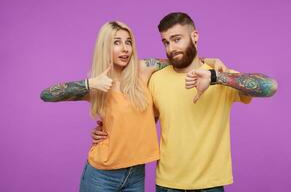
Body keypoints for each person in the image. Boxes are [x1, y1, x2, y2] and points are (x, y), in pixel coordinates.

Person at [92, 13, 278, 192]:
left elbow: (270, 86)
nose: (171, 48)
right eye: (166, 42)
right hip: (167, 184)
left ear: (194, 36)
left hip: (210, 185)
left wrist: (215, 77)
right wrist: (109, 132)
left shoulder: (220, 75)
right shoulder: (156, 79)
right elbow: (143, 122)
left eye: (177, 39)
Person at [40, 21, 226, 192]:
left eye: (128, 42)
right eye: (117, 42)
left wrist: (209, 61)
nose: (125, 48)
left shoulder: (143, 69)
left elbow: (178, 58)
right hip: (102, 175)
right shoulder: (98, 85)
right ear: (105, 47)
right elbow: (47, 95)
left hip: (136, 175)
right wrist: (90, 84)